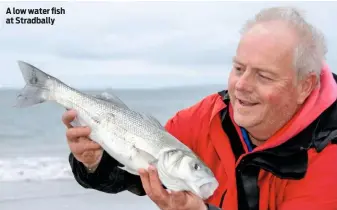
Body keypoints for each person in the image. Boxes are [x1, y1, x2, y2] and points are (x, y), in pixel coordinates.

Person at [62, 6, 337, 210]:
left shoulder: (330, 155)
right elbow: (140, 173)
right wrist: (95, 161)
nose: (241, 85)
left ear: (305, 86)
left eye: (263, 76)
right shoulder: (206, 119)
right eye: (238, 68)